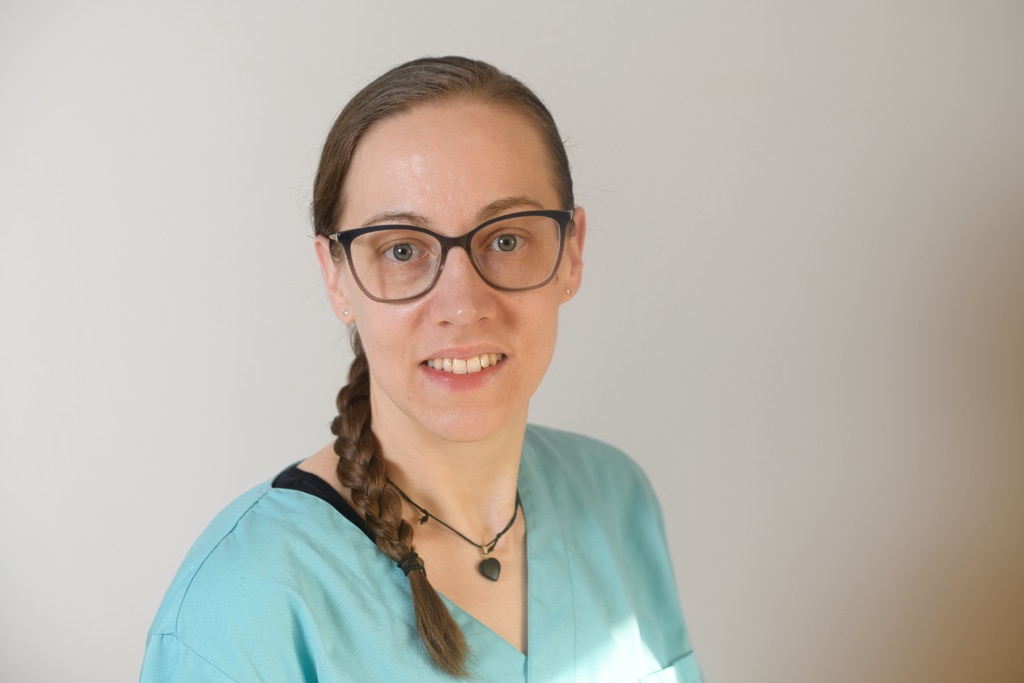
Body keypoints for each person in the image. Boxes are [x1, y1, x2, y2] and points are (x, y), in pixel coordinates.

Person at [141, 56, 702, 682]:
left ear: (571, 253)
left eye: (507, 239)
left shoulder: (615, 500)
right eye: (403, 249)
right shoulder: (240, 609)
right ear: (336, 277)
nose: (463, 305)